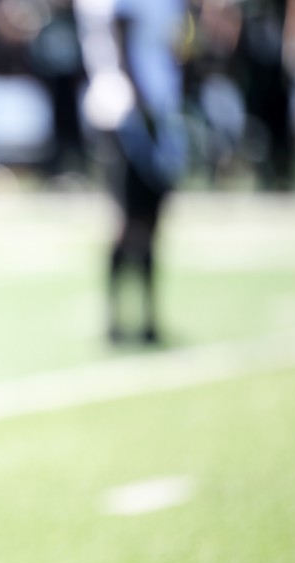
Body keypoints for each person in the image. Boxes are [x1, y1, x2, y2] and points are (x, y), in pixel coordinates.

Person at [75, 0, 188, 345]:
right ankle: (116, 318)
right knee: (128, 220)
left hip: (156, 110)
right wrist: (147, 113)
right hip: (126, 113)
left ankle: (147, 317)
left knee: (152, 220)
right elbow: (121, 47)